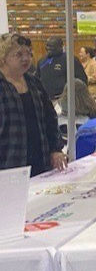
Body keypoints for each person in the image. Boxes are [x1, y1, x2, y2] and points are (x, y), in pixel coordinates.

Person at [0, 33, 67, 175]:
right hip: (8, 166)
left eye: (29, 54)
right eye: (18, 55)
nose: (26, 59)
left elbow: (50, 117)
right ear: (3, 57)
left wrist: (55, 149)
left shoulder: (34, 82)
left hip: (41, 162)